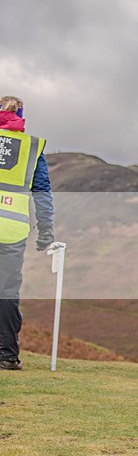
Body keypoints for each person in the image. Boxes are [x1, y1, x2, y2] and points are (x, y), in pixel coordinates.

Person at [0, 96, 54, 371]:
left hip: (13, 229)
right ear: (21, 117)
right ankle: (7, 356)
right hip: (12, 229)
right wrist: (46, 230)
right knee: (7, 292)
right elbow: (42, 192)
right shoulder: (31, 147)